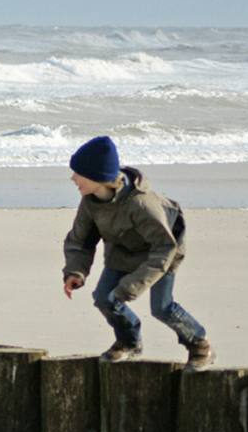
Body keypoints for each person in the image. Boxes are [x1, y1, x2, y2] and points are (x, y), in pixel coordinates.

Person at [62, 136, 212, 370]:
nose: (73, 178)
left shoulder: (142, 204)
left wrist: (132, 285)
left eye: (78, 173)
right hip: (122, 250)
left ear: (99, 177)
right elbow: (80, 240)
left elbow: (165, 247)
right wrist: (76, 272)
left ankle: (200, 345)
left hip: (163, 251)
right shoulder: (90, 201)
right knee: (104, 298)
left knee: (161, 308)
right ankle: (129, 342)